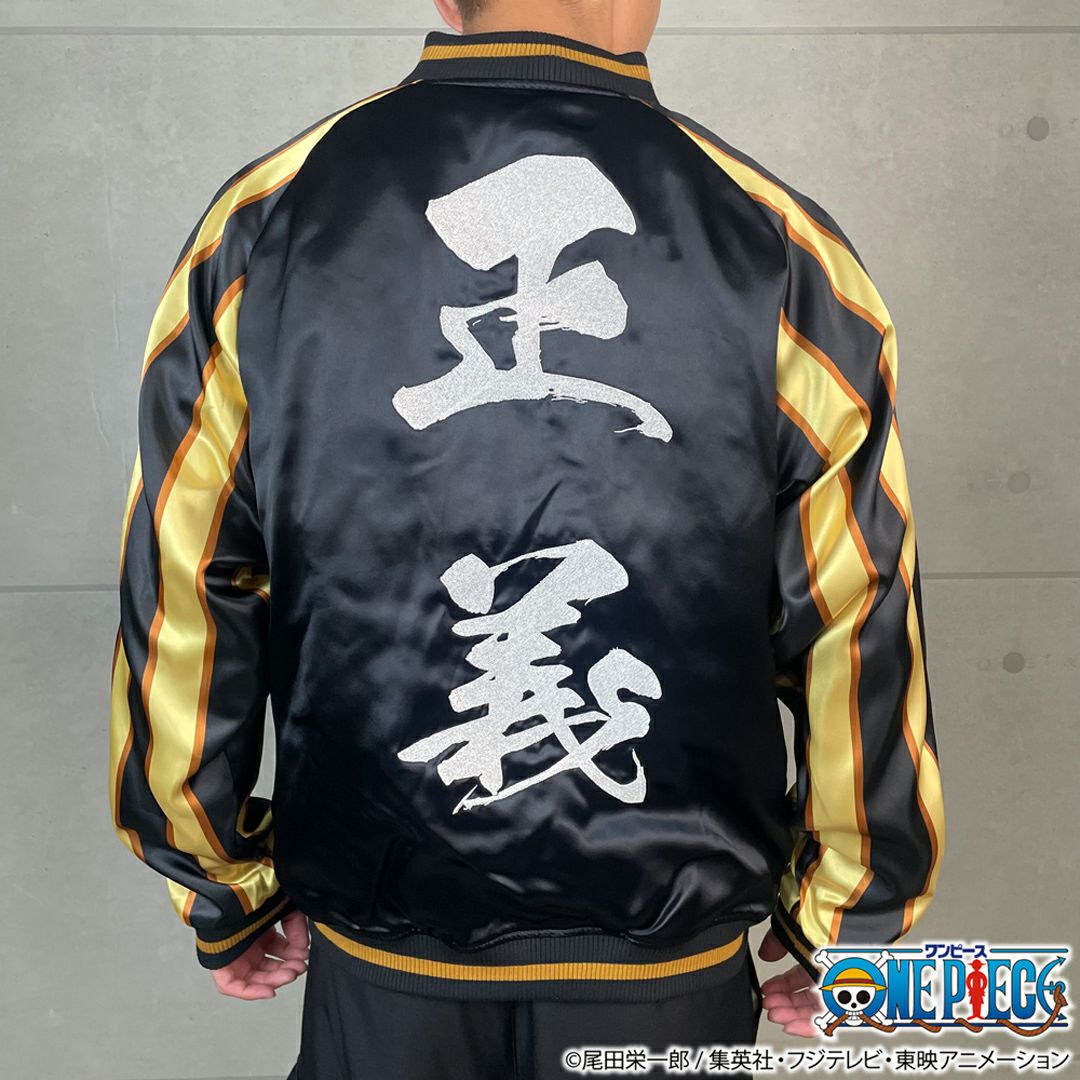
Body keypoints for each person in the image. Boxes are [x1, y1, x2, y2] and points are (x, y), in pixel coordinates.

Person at [106, 0, 946, 1075]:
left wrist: (219, 878)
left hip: (384, 958)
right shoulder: (783, 252)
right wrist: (847, 923)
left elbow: (187, 583)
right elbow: (856, 611)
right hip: (669, 971)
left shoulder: (265, 227)